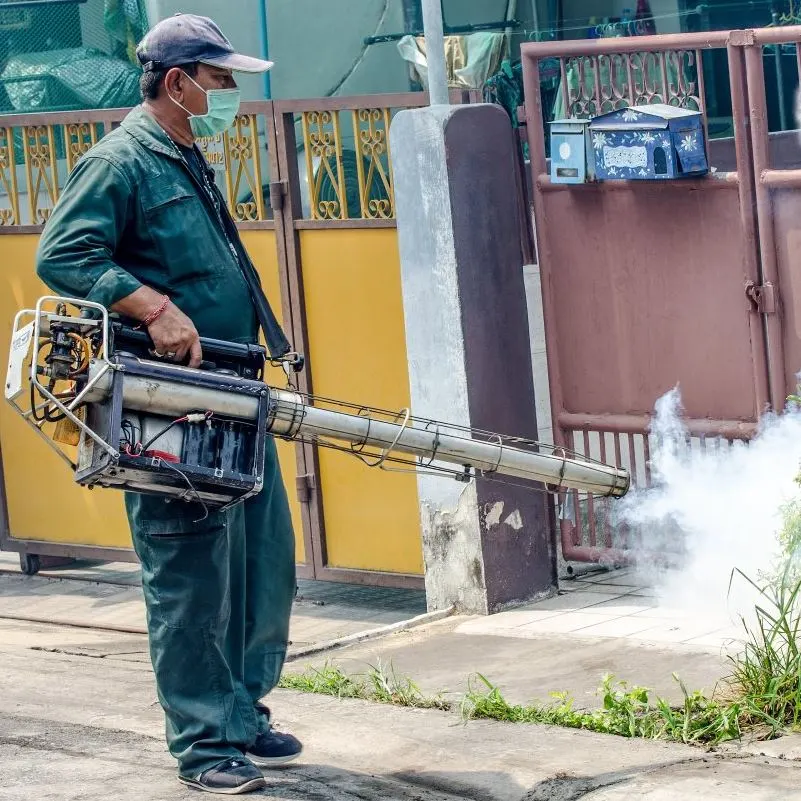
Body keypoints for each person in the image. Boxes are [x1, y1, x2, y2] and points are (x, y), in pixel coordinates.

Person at [35, 13, 302, 795]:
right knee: (189, 571)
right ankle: (203, 743)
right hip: (168, 402)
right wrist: (151, 305)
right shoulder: (122, 160)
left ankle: (242, 708)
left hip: (229, 390)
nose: (230, 95)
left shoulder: (184, 154)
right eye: (220, 80)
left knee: (261, 558)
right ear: (177, 81)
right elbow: (63, 252)